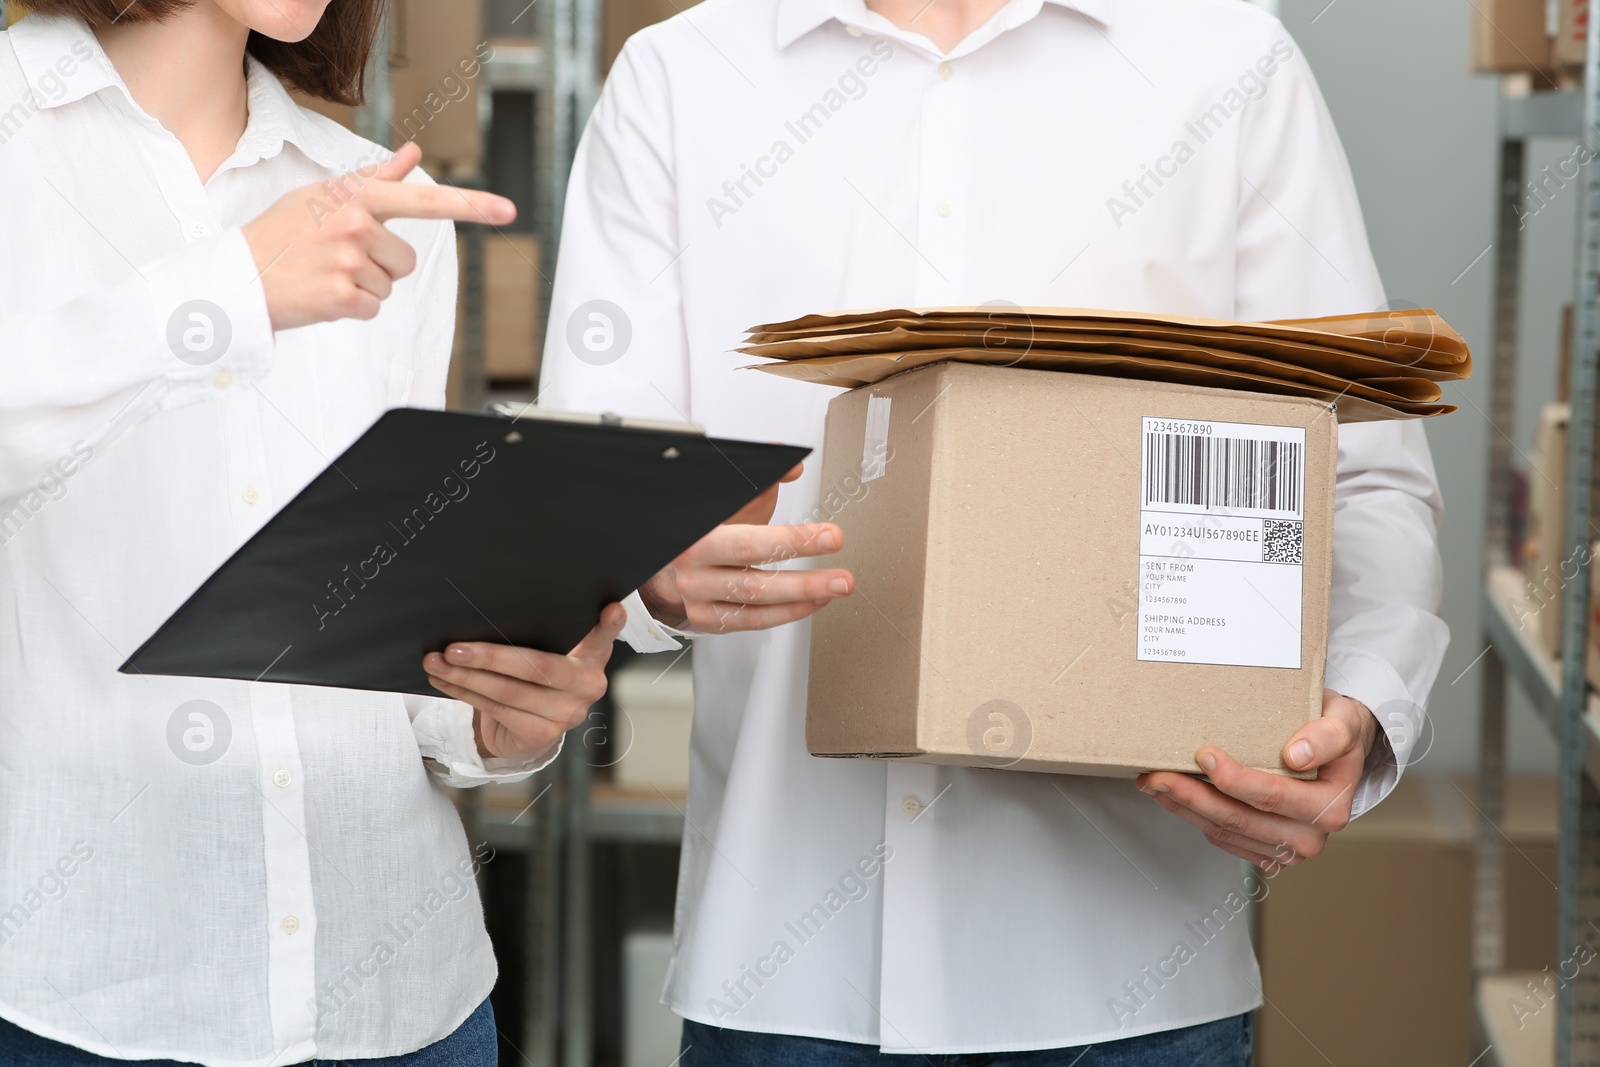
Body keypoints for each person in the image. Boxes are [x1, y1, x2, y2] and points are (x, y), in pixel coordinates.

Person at [539, 0, 1448, 1063]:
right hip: (785, 976)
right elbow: (591, 495)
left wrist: (1361, 710)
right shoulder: (679, 77)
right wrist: (651, 568)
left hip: (1131, 980)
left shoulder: (1226, 59)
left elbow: (1362, 465)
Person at [0, 2, 640, 1063]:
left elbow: (388, 601)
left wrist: (491, 713)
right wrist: (223, 292)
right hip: (86, 1001)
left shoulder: (373, 202)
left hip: (404, 1003)